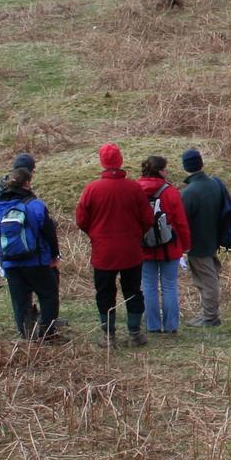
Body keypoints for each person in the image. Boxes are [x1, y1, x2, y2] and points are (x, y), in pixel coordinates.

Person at [74, 143, 153, 347]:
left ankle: (108, 336)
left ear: (102, 162)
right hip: (131, 250)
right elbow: (147, 218)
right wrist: (136, 234)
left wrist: (95, 234)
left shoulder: (92, 189)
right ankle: (134, 333)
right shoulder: (134, 188)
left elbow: (81, 219)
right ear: (120, 160)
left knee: (105, 292)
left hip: (103, 251)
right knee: (133, 291)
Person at [0, 164, 61, 341]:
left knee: (20, 301)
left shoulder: (0, 206)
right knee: (48, 295)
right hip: (35, 261)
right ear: (27, 184)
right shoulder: (35, 205)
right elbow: (48, 232)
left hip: (11, 262)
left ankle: (27, 336)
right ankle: (48, 333)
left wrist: (2, 259)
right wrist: (54, 255)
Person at [178, 147, 231, 328]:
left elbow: (181, 222)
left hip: (198, 245)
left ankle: (210, 317)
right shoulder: (215, 183)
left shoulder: (189, 193)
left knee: (207, 281)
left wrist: (181, 247)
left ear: (186, 167)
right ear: (201, 163)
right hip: (213, 239)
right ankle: (209, 314)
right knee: (211, 277)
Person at [136, 155, 191, 335]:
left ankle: (152, 326)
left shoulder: (134, 190)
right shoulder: (170, 192)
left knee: (148, 286)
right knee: (169, 286)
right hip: (170, 246)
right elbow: (181, 222)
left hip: (143, 247)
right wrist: (186, 245)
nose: (167, 172)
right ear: (160, 171)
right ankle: (171, 326)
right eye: (165, 169)